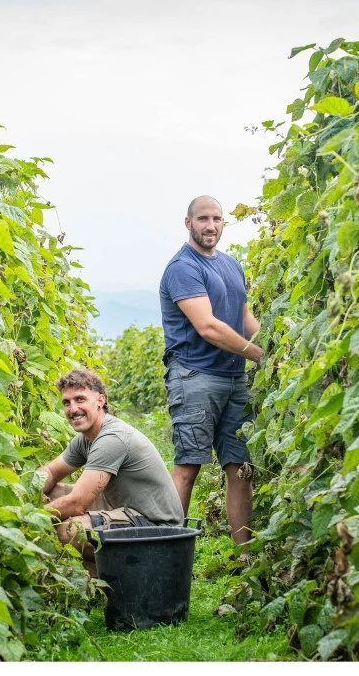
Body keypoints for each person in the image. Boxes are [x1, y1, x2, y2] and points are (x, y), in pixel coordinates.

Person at [159, 195, 263, 546]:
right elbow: (208, 327)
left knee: (241, 469)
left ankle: (244, 556)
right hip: (194, 377)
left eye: (217, 219)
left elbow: (245, 319)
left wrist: (277, 348)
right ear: (188, 223)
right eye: (203, 219)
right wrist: (257, 355)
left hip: (234, 379)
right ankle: (167, 552)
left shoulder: (232, 266)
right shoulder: (182, 268)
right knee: (188, 467)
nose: (211, 226)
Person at [36, 369, 183, 576]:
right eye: (67, 402)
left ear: (100, 400)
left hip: (157, 528)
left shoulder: (112, 438)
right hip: (127, 509)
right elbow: (50, 472)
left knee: (71, 530)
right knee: (49, 494)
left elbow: (78, 503)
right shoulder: (86, 438)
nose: (73, 409)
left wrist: (31, 518)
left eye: (80, 399)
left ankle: (121, 579)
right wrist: (25, 493)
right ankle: (102, 578)